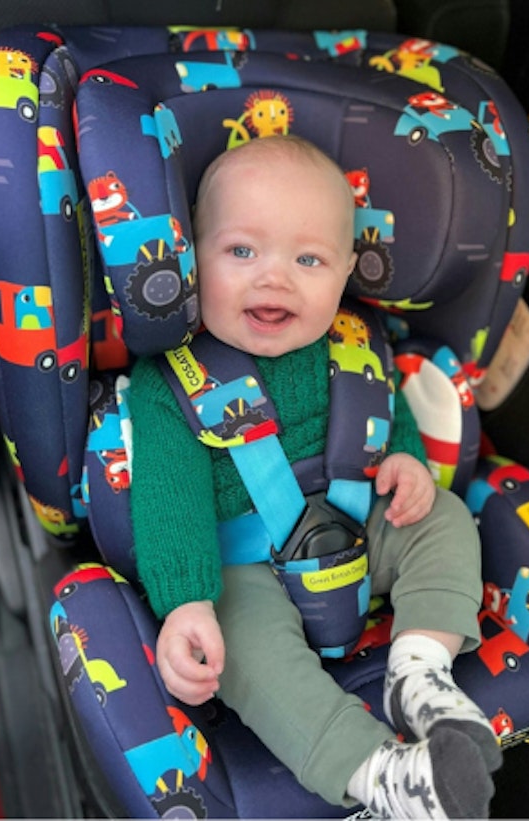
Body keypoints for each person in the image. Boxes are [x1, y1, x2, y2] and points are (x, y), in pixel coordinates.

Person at [126, 134, 499, 818]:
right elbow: (167, 501)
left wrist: (407, 463)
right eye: (242, 251)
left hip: (361, 524)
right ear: (192, 255)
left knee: (442, 518)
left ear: (344, 271)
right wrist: (187, 601)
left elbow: (381, 413)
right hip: (242, 569)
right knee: (242, 653)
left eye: (308, 258)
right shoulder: (168, 383)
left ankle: (418, 672)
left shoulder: (357, 342)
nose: (275, 277)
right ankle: (380, 774)